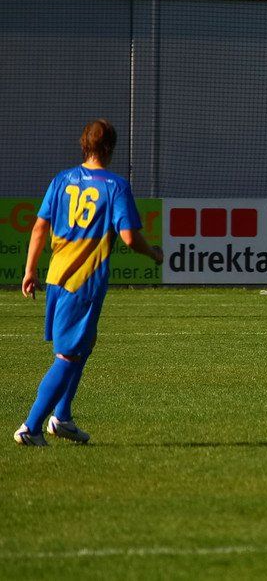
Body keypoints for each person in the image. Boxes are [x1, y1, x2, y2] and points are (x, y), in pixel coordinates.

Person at [15, 119, 163, 447]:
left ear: (84, 145)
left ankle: (62, 417)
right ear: (109, 148)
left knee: (86, 343)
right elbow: (129, 237)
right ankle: (31, 427)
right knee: (68, 355)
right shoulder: (115, 185)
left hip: (56, 276)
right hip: (83, 282)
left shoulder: (62, 179)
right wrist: (153, 253)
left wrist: (29, 270)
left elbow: (39, 227)